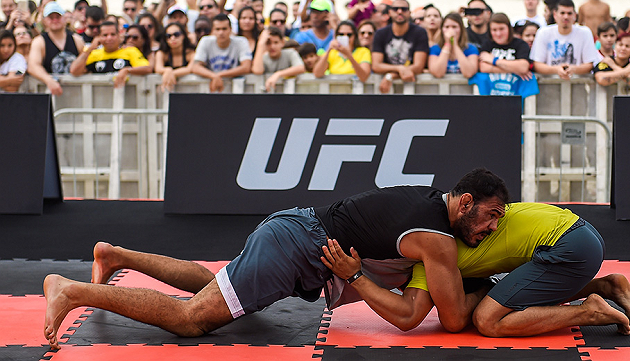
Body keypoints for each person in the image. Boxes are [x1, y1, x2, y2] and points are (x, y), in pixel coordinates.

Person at [43, 168, 510, 350]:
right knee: (192, 319)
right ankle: (73, 290)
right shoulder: (438, 239)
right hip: (297, 249)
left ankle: (113, 253)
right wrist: (360, 279)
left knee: (214, 283)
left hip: (294, 228)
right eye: (491, 217)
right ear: (465, 202)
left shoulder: (427, 205)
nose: (491, 228)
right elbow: (445, 320)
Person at [321, 201, 630, 337]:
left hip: (568, 247)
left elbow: (420, 316)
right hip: (576, 232)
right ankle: (605, 286)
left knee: (488, 320)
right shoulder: (454, 219)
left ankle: (590, 312)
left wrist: (356, 277)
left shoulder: (426, 256)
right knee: (510, 289)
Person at [530, 0, 602, 80]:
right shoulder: (543, 32)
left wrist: (574, 69)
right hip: (549, 84)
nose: (566, 17)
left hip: (577, 84)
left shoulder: (585, 32)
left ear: (575, 16)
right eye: (562, 13)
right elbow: (537, 64)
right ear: (555, 15)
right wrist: (556, 69)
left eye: (569, 13)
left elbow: (589, 64)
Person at [471, 13, 538, 99]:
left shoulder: (520, 44)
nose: (498, 33)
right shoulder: (487, 44)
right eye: (494, 30)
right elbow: (483, 67)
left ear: (509, 28)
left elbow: (523, 67)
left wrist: (494, 61)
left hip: (515, 95)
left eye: (501, 29)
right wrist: (513, 68)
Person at [371, 0, 428, 94]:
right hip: (385, 89)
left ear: (409, 13)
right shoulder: (380, 34)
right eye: (396, 9)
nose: (400, 11)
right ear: (390, 12)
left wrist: (391, 76)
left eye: (404, 9)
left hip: (414, 86)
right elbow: (376, 66)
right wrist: (399, 68)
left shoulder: (420, 32)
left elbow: (418, 66)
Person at [27, 2, 85, 96]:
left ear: (64, 18)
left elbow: (87, 63)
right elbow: (33, 66)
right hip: (49, 93)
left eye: (58, 17)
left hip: (76, 92)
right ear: (45, 21)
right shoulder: (39, 42)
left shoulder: (77, 40)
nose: (55, 20)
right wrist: (49, 80)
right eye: (51, 17)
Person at [70, 21, 151, 87]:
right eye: (105, 35)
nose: (109, 38)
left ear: (119, 35)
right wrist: (90, 49)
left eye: (113, 34)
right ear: (99, 37)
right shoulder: (94, 54)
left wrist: (127, 70)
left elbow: (147, 69)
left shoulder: (131, 51)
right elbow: (74, 71)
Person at [191, 14, 252, 93]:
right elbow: (195, 67)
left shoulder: (241, 42)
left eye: (224, 29)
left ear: (230, 29)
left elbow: (246, 67)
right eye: (217, 29)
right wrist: (214, 76)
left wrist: (219, 75)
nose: (221, 32)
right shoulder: (205, 41)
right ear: (213, 31)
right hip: (211, 90)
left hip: (235, 91)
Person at [252, 27, 306, 91]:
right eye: (268, 43)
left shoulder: (290, 53)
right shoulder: (263, 57)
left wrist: (278, 74)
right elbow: (257, 71)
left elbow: (301, 68)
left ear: (282, 42)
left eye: (276, 42)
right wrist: (260, 44)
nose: (272, 46)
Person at [427, 12, 479, 79]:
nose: (450, 30)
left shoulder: (471, 49)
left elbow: (469, 73)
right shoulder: (435, 49)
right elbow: (438, 73)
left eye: (454, 27)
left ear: (461, 29)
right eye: (447, 27)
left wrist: (455, 45)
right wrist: (447, 45)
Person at [155, 22, 196, 92]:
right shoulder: (161, 53)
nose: (172, 38)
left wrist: (172, 73)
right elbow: (158, 68)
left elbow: (190, 68)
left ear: (183, 36)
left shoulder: (190, 53)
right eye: (168, 36)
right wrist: (167, 70)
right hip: (166, 91)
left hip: (190, 91)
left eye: (176, 35)